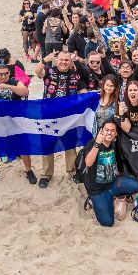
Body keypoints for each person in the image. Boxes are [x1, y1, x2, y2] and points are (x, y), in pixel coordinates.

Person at [34, 50, 86, 187]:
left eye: (66, 60)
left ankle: (72, 171)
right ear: (57, 60)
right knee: (47, 145)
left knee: (70, 146)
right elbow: (37, 70)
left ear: (70, 62)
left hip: (68, 119)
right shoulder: (49, 71)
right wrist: (45, 59)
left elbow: (84, 94)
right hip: (48, 117)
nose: (63, 62)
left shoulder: (76, 76)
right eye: (61, 60)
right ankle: (46, 174)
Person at [0, 64, 33, 186]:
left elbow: (25, 92)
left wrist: (6, 86)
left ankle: (29, 170)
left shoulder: (15, 82)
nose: (3, 76)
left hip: (16, 123)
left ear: (9, 74)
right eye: (0, 74)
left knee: (23, 148)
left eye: (5, 73)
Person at [82, 120, 138, 227]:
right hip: (97, 190)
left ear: (116, 134)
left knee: (137, 185)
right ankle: (93, 200)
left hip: (112, 182)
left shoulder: (114, 144)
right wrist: (97, 144)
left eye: (112, 131)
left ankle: (115, 197)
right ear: (101, 131)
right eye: (107, 130)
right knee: (108, 222)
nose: (109, 133)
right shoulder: (93, 144)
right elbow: (88, 163)